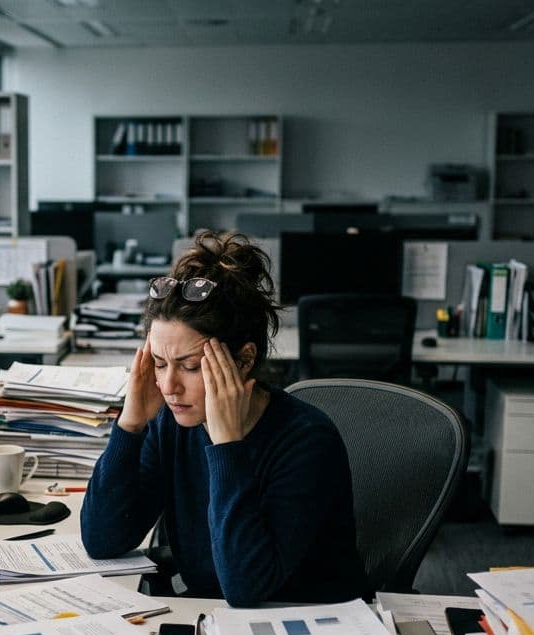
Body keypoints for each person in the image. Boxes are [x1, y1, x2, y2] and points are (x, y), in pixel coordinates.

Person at [81, 231, 368, 607]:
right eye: (160, 364)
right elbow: (103, 540)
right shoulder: (173, 423)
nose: (169, 386)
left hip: (306, 628)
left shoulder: (306, 440)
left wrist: (228, 446)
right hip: (217, 622)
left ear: (244, 360)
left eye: (189, 367)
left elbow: (246, 588)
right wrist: (129, 426)